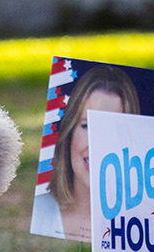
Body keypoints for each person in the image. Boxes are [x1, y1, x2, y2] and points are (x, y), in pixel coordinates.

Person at [31, 64, 140, 242]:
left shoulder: (143, 224)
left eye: (113, 129)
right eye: (87, 126)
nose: (98, 145)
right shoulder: (43, 213)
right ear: (70, 131)